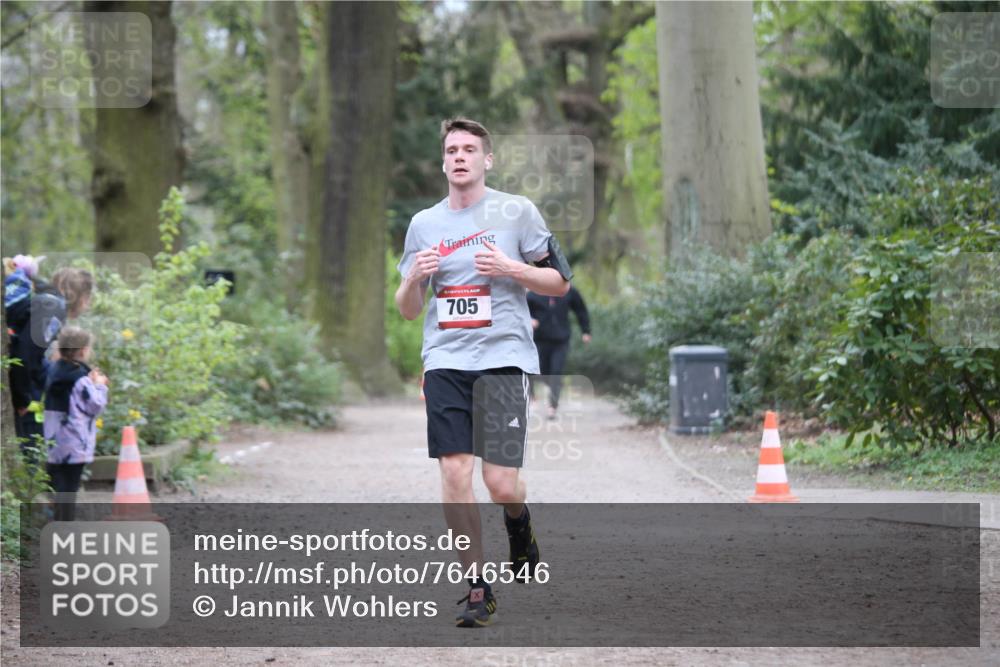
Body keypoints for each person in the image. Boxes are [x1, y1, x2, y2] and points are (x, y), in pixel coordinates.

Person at [395, 118, 573, 628]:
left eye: (469, 149)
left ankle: (519, 523)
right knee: (454, 472)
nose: (459, 156)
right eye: (451, 149)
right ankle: (477, 586)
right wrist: (414, 278)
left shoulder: (517, 212)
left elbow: (560, 282)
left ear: (487, 159)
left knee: (500, 484)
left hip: (503, 360)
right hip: (446, 361)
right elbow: (408, 309)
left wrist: (512, 270)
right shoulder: (424, 224)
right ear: (443, 161)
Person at [5, 260, 93, 457]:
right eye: (87, 299)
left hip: (21, 385)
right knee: (28, 453)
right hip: (20, 395)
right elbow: (26, 357)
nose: (87, 306)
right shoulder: (53, 308)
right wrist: (23, 400)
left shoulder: (46, 301)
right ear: (79, 295)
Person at [43, 326, 109, 521]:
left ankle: (57, 523)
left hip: (54, 439)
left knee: (57, 483)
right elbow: (94, 405)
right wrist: (100, 385)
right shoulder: (80, 379)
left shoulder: (54, 370)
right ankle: (65, 525)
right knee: (70, 487)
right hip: (74, 441)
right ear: (82, 350)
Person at [527, 285, 592, 419]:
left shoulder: (568, 291)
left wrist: (586, 330)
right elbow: (521, 311)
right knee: (541, 372)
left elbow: (580, 309)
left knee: (556, 371)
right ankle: (539, 394)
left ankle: (552, 407)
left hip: (561, 340)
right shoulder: (533, 292)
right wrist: (530, 320)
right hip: (540, 340)